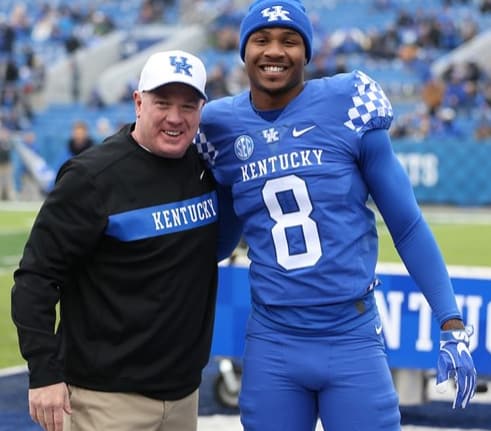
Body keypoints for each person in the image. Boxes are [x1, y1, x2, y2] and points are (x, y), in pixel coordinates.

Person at [194, 1, 477, 430]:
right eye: (261, 40)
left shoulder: (348, 103)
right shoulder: (218, 125)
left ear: (306, 52)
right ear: (243, 50)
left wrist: (450, 320)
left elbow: (407, 224)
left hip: (351, 335)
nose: (274, 51)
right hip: (274, 339)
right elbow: (219, 239)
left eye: (289, 40)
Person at [11, 49, 229, 431]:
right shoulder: (92, 178)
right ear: (138, 102)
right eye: (162, 103)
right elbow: (36, 278)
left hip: (183, 395)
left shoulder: (204, 167)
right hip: (105, 400)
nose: (175, 118)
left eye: (188, 105)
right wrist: (44, 372)